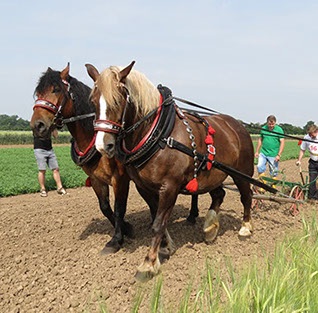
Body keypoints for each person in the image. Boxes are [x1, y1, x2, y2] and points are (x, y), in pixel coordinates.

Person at [33, 129, 67, 197]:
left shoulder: (49, 125)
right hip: (39, 149)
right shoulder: (37, 124)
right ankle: (43, 189)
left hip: (50, 149)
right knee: (42, 170)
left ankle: (60, 188)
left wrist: (53, 127)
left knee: (56, 169)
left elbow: (55, 136)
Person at [254, 115, 285, 182]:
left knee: (273, 171)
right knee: (259, 167)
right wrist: (257, 151)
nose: (271, 126)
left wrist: (279, 155)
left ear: (275, 123)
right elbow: (260, 140)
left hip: (273, 154)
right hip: (263, 152)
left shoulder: (279, 130)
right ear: (267, 123)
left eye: (272, 124)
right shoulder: (263, 128)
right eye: (269, 124)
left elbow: (282, 142)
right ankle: (263, 185)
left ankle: (273, 186)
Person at [296, 124, 318, 201]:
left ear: (316, 131)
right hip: (312, 162)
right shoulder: (306, 138)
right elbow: (302, 150)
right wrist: (299, 160)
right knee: (312, 180)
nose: (310, 136)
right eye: (309, 134)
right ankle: (311, 198)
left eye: (312, 135)